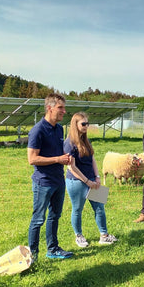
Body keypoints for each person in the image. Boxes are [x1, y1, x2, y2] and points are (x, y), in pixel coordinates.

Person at [27, 93, 73, 260]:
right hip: (43, 182)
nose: (64, 111)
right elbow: (32, 159)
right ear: (49, 108)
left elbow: (57, 152)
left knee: (55, 216)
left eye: (63, 108)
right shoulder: (38, 130)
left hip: (58, 180)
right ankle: (32, 256)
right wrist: (57, 159)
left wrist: (65, 157)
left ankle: (52, 249)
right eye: (60, 108)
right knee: (38, 219)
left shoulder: (59, 129)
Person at [64, 112, 118, 247]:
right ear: (75, 125)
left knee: (100, 208)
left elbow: (92, 159)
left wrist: (97, 177)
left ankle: (104, 236)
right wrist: (87, 181)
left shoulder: (86, 140)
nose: (86, 126)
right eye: (83, 124)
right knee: (77, 209)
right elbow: (72, 168)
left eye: (87, 123)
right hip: (76, 182)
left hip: (92, 180)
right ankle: (79, 236)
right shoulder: (69, 143)